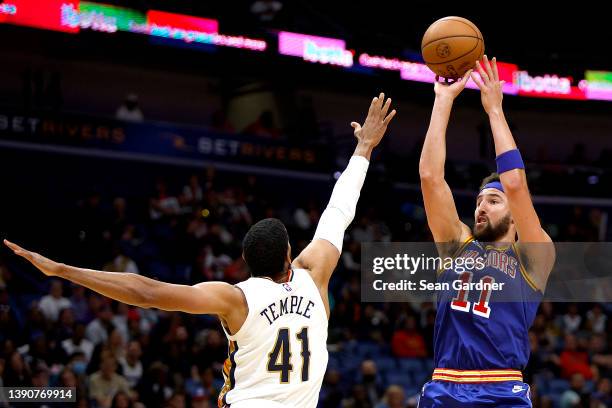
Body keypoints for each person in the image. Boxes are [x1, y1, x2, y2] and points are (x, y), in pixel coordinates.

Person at [4, 93, 396, 408]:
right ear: (289, 254)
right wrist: (363, 148)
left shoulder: (235, 297)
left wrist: (64, 271)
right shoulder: (317, 275)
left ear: (245, 263)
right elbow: (339, 210)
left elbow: (147, 292)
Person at [417, 56, 555, 407]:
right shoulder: (456, 246)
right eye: (479, 201)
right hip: (444, 385)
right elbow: (431, 179)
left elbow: (515, 183)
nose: (481, 207)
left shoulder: (533, 256)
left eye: (493, 201)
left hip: (500, 388)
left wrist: (494, 109)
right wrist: (442, 100)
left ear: (514, 214)